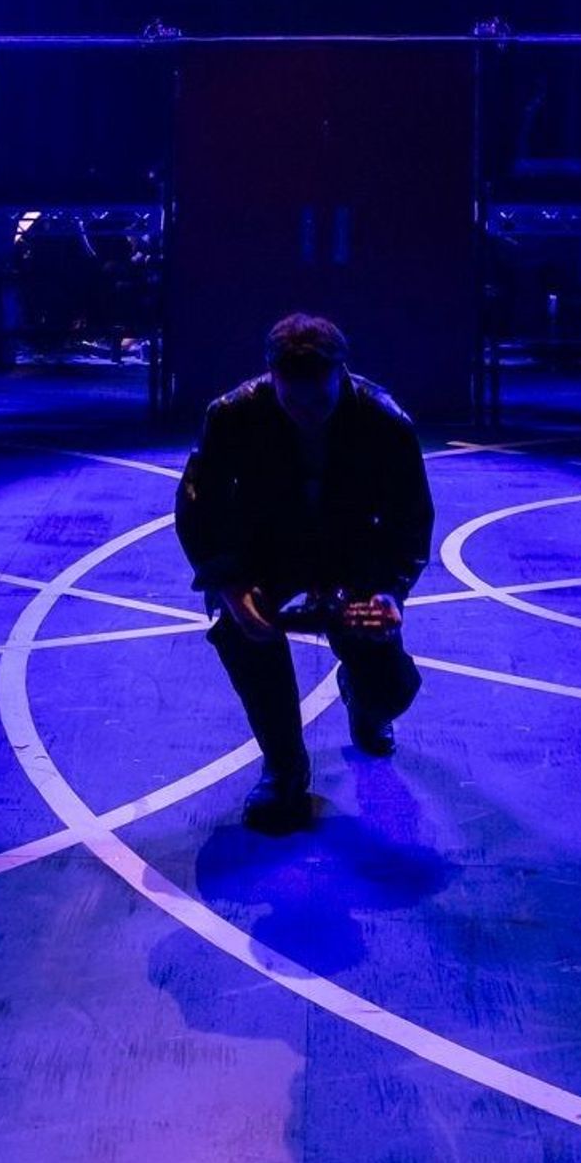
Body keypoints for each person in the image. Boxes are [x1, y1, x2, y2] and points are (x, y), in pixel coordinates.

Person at [174, 312, 436, 830]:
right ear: (271, 378)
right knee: (241, 634)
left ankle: (365, 702)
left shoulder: (386, 422)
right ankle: (284, 769)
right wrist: (230, 586)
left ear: (343, 374)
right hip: (266, 554)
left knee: (390, 685)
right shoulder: (231, 415)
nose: (307, 415)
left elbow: (412, 519)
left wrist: (391, 592)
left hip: (352, 554)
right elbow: (197, 509)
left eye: (319, 401)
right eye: (293, 402)